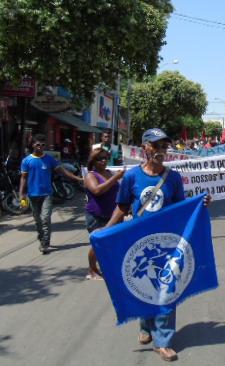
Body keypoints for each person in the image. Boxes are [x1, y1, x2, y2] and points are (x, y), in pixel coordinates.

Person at [104, 128, 210, 362]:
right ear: (145, 148)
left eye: (164, 146)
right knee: (143, 288)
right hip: (138, 244)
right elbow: (122, 207)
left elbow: (180, 209)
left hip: (166, 245)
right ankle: (145, 325)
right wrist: (106, 231)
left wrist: (199, 205)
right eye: (156, 146)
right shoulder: (132, 177)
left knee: (165, 289)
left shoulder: (173, 178)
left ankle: (163, 341)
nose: (161, 151)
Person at [19, 134, 83, 254]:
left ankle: (45, 243)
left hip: (47, 194)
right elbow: (23, 178)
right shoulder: (26, 161)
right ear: (33, 145)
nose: (40, 147)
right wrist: (21, 194)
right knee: (38, 220)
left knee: (45, 218)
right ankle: (41, 236)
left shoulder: (49, 160)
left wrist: (77, 179)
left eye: (43, 145)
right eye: (38, 144)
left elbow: (63, 171)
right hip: (32, 195)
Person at [84, 148, 125, 279]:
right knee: (98, 244)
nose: (103, 161)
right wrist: (116, 178)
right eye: (100, 159)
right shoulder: (91, 175)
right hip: (96, 216)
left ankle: (109, 268)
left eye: (105, 158)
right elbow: (97, 191)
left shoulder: (109, 172)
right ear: (93, 161)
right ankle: (92, 269)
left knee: (112, 243)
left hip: (113, 215)